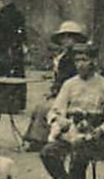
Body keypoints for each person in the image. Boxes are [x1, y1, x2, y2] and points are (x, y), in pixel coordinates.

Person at [40, 43, 104, 179]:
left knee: (80, 149)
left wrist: (100, 130)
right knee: (48, 152)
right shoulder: (69, 84)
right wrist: (60, 120)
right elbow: (56, 109)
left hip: (96, 137)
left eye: (84, 60)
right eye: (77, 60)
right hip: (72, 132)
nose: (80, 64)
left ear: (94, 61)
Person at [23, 21, 87, 151]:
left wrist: (58, 91)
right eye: (64, 37)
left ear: (76, 39)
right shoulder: (63, 56)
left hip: (74, 95)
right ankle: (35, 138)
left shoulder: (76, 57)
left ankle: (40, 141)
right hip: (63, 91)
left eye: (70, 37)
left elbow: (71, 80)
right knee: (39, 107)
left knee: (45, 108)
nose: (66, 40)